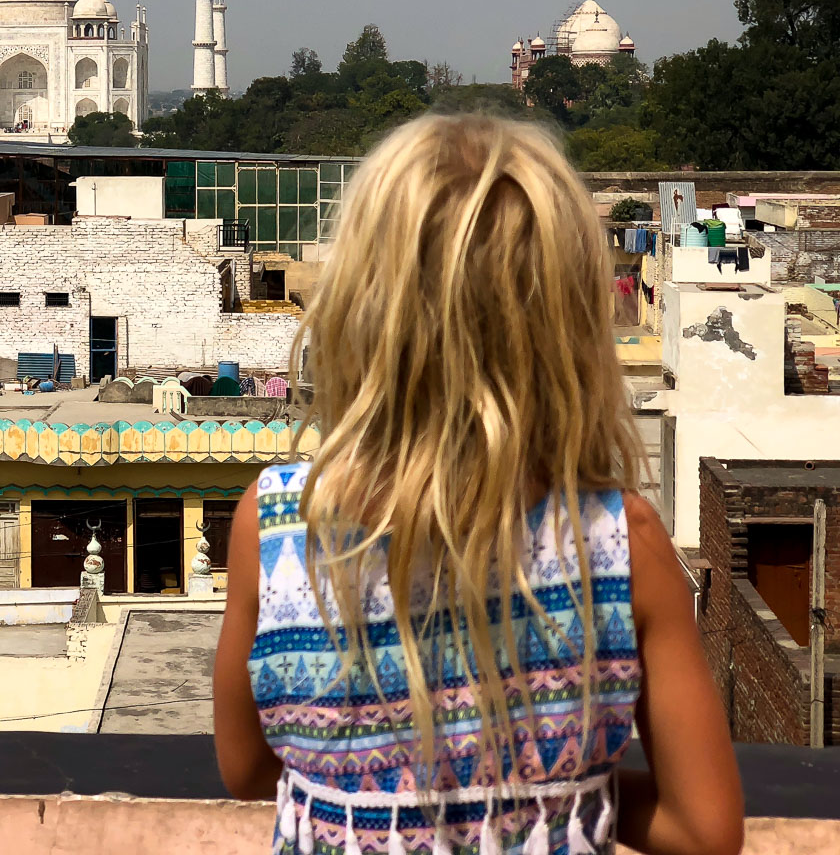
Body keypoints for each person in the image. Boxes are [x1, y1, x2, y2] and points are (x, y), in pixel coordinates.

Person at [212, 114, 742, 855]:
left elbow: (244, 766)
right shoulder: (620, 544)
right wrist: (556, 791)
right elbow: (705, 829)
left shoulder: (276, 525)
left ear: (364, 304)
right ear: (567, 319)